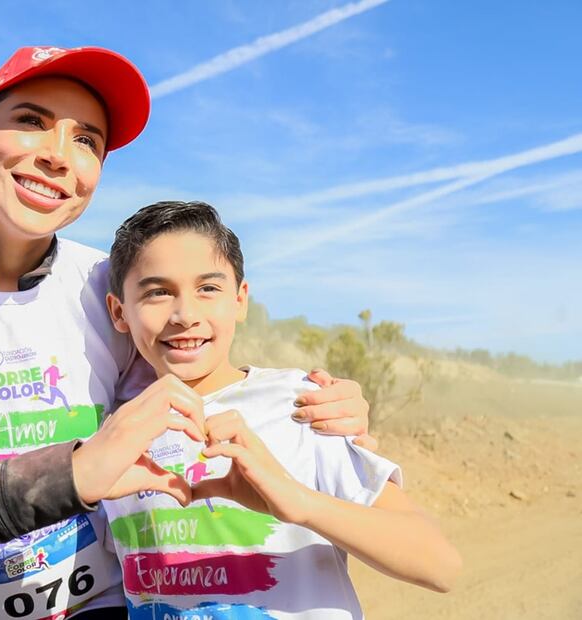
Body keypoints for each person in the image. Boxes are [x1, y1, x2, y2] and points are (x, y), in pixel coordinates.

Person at [0, 46, 373, 619]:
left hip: (101, 606)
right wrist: (73, 474)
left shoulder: (105, 282)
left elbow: (191, 395)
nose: (58, 155)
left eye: (86, 140)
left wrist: (316, 415)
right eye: (31, 121)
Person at [101, 201, 462, 619]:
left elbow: (440, 565)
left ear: (240, 300)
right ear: (118, 312)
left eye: (208, 288)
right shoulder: (114, 433)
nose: (185, 315)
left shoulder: (302, 405)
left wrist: (298, 503)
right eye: (158, 292)